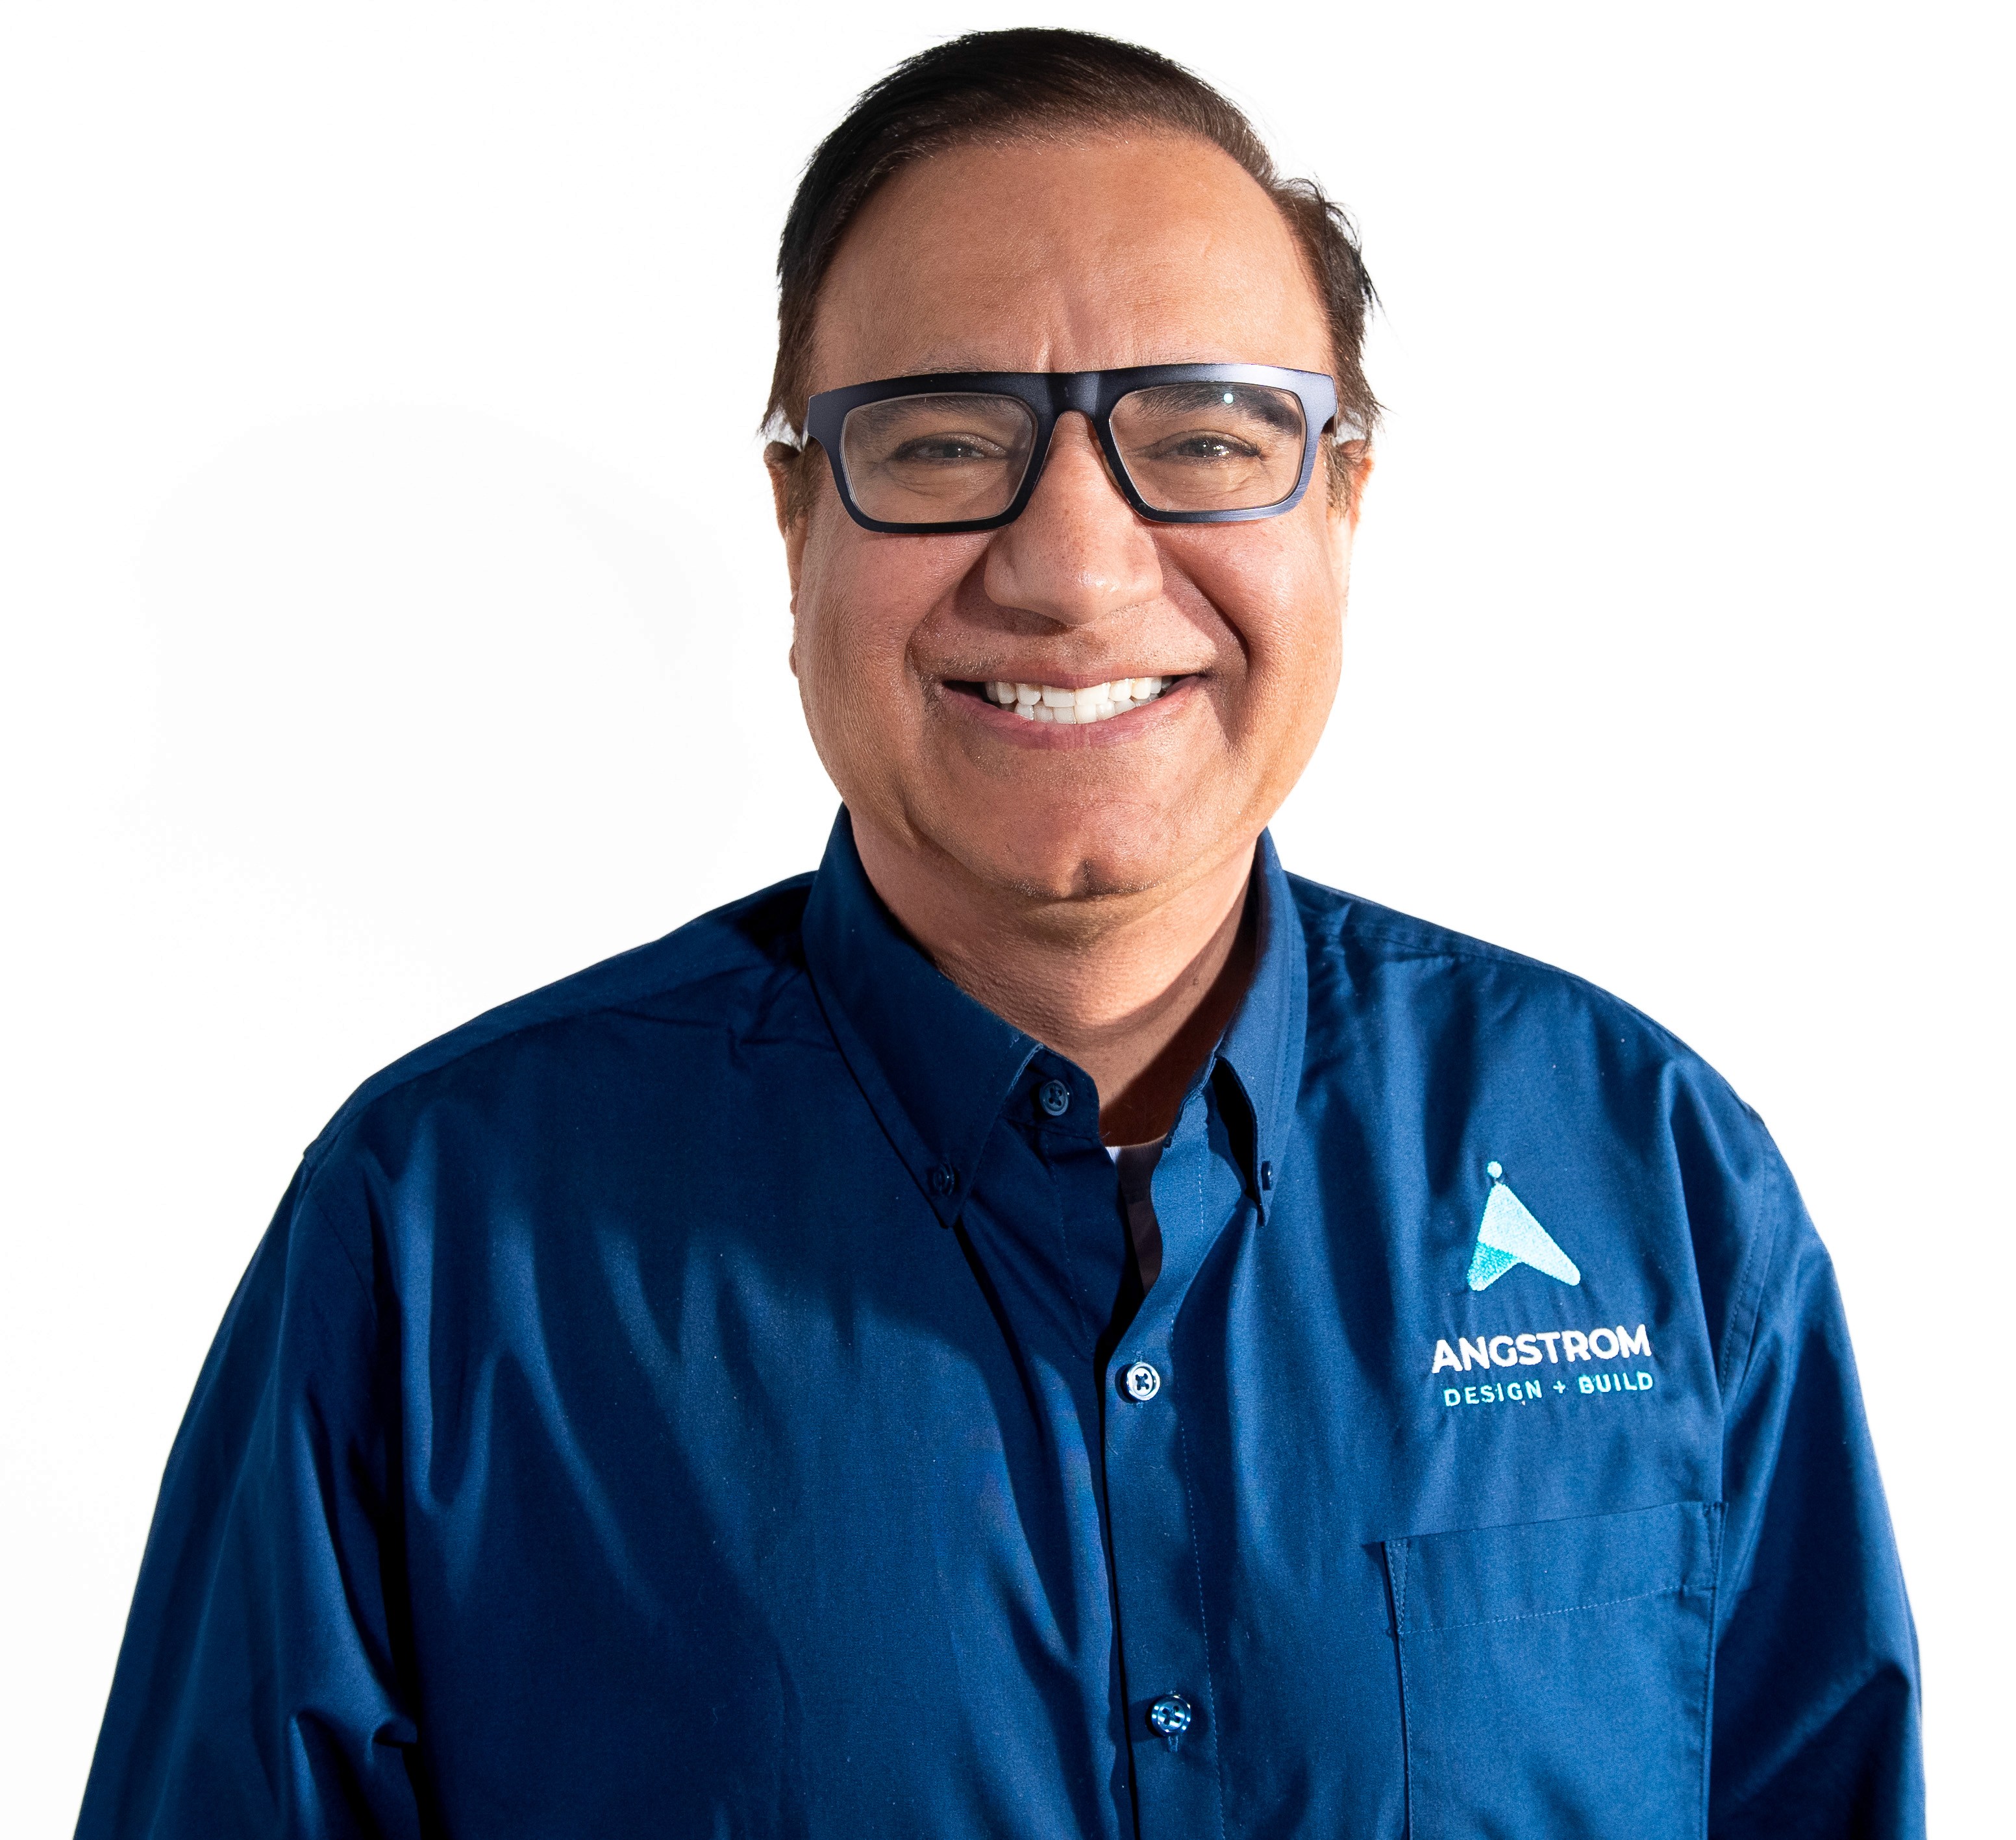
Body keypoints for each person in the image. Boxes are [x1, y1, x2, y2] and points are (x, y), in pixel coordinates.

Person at [77, 28, 1922, 1839]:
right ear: (796, 518)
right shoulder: (438, 1239)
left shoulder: (1649, 1175)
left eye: (1205, 436)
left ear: (1345, 502)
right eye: (948, 443)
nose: (1071, 566)